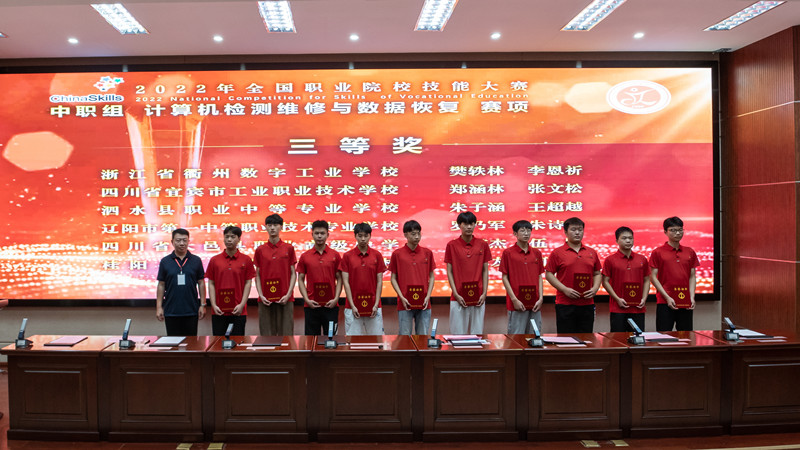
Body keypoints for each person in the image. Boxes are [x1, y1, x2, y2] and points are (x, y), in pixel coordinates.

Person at [545, 217, 602, 333]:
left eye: (580, 230)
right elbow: (549, 274)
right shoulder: (557, 252)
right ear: (566, 232)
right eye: (573, 229)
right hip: (565, 303)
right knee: (565, 339)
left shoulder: (591, 252)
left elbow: (597, 273)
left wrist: (595, 288)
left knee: (586, 338)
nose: (577, 233)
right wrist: (564, 289)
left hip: (587, 303)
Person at [445, 211, 492, 334]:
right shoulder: (451, 245)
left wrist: (484, 293)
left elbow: (485, 270)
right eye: (465, 224)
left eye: (471, 223)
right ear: (459, 225)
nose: (469, 227)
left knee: (477, 334)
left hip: (479, 297)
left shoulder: (483, 244)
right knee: (457, 335)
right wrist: (455, 293)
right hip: (458, 296)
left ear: (475, 224)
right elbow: (449, 271)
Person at [649, 216, 699, 331]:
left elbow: (692, 276)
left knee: (686, 335)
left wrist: (691, 297)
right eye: (673, 230)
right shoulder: (657, 252)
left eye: (680, 230)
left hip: (685, 301)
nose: (677, 233)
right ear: (665, 232)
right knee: (663, 335)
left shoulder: (690, 252)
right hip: (665, 301)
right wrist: (667, 297)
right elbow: (653, 277)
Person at [156, 228, 206, 336]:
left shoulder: (196, 260)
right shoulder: (165, 261)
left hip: (191, 310)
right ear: (172, 242)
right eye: (178, 240)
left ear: (188, 241)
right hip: (171, 310)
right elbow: (161, 285)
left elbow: (201, 282)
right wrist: (159, 307)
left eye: (184, 240)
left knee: (191, 342)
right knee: (173, 343)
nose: (182, 243)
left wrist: (202, 305)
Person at [206, 226, 255, 336]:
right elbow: (211, 283)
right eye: (227, 237)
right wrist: (213, 305)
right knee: (218, 342)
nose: (229, 240)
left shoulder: (246, 260)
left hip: (238, 310)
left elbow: (248, 283)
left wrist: (242, 304)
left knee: (237, 342)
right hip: (218, 310)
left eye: (232, 237)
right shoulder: (214, 260)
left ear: (239, 239)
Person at [390, 220, 436, 335]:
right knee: (404, 337)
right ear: (405, 235)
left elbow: (431, 276)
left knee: (423, 337)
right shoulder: (397, 254)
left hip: (424, 303)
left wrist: (428, 296)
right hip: (404, 302)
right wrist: (401, 297)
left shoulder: (427, 253)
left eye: (418, 233)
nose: (417, 237)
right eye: (413, 234)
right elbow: (393, 278)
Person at [296, 220, 342, 336]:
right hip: (311, 305)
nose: (319, 236)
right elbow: (300, 279)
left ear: (328, 235)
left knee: (331, 339)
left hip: (331, 305)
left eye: (322, 233)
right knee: (311, 340)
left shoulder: (335, 255)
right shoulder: (305, 256)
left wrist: (336, 299)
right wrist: (306, 299)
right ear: (312, 234)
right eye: (317, 233)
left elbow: (340, 278)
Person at [254, 214, 297, 336]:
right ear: (265, 227)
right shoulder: (260, 250)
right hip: (265, 299)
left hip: (285, 298)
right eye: (269, 225)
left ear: (281, 227)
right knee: (266, 336)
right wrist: (261, 295)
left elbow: (293, 273)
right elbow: (257, 275)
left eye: (275, 225)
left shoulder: (289, 248)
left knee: (287, 335)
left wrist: (288, 294)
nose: (272, 228)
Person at [340, 222, 386, 335]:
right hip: (352, 307)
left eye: (366, 235)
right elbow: (346, 282)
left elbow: (379, 282)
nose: (363, 239)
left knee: (377, 341)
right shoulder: (347, 256)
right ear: (355, 236)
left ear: (370, 236)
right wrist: (352, 305)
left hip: (374, 307)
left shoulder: (377, 255)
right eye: (360, 236)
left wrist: (376, 305)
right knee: (352, 342)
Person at [602, 226, 651, 332]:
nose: (628, 241)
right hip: (618, 308)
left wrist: (644, 299)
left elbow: (647, 280)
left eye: (630, 238)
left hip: (638, 308)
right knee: (617, 339)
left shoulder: (642, 259)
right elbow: (605, 281)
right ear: (617, 241)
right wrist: (617, 299)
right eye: (624, 238)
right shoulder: (610, 260)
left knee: (638, 338)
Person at [500, 220, 544, 334]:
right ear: (515, 233)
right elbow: (505, 277)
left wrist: (541, 298)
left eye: (528, 230)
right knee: (516, 337)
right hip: (517, 303)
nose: (526, 233)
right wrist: (514, 299)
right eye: (523, 231)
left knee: (534, 335)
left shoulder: (537, 253)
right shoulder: (508, 253)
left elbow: (539, 276)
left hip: (535, 303)